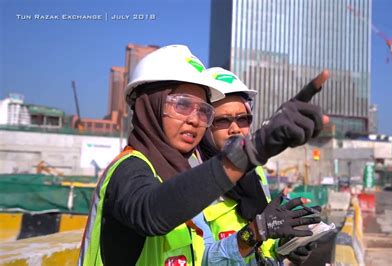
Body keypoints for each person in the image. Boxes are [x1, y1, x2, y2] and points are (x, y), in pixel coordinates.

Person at [78, 45, 324, 266]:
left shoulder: (181, 174)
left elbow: (206, 257)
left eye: (203, 111)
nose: (195, 120)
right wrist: (250, 151)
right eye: (182, 104)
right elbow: (150, 212)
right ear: (150, 106)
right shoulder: (128, 169)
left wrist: (281, 247)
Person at [195, 67, 331, 265]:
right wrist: (255, 232)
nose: (235, 128)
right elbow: (202, 260)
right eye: (222, 121)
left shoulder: (255, 172)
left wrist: (286, 247)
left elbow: (264, 245)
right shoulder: (191, 175)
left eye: (243, 119)